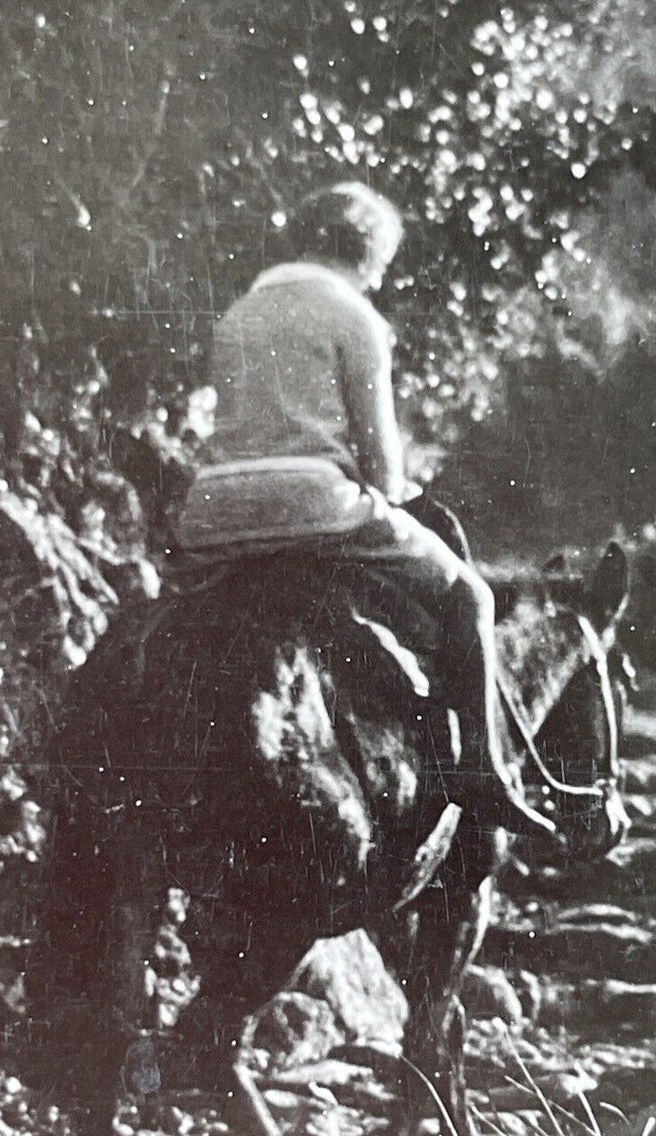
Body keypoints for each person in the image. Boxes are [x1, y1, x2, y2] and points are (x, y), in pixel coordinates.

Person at [174, 181, 555, 837]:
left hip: (212, 512)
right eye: (382, 261)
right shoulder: (353, 317)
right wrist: (404, 500)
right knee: (471, 597)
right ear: (368, 253)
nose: (381, 276)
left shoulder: (238, 313)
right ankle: (482, 775)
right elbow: (383, 466)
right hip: (314, 504)